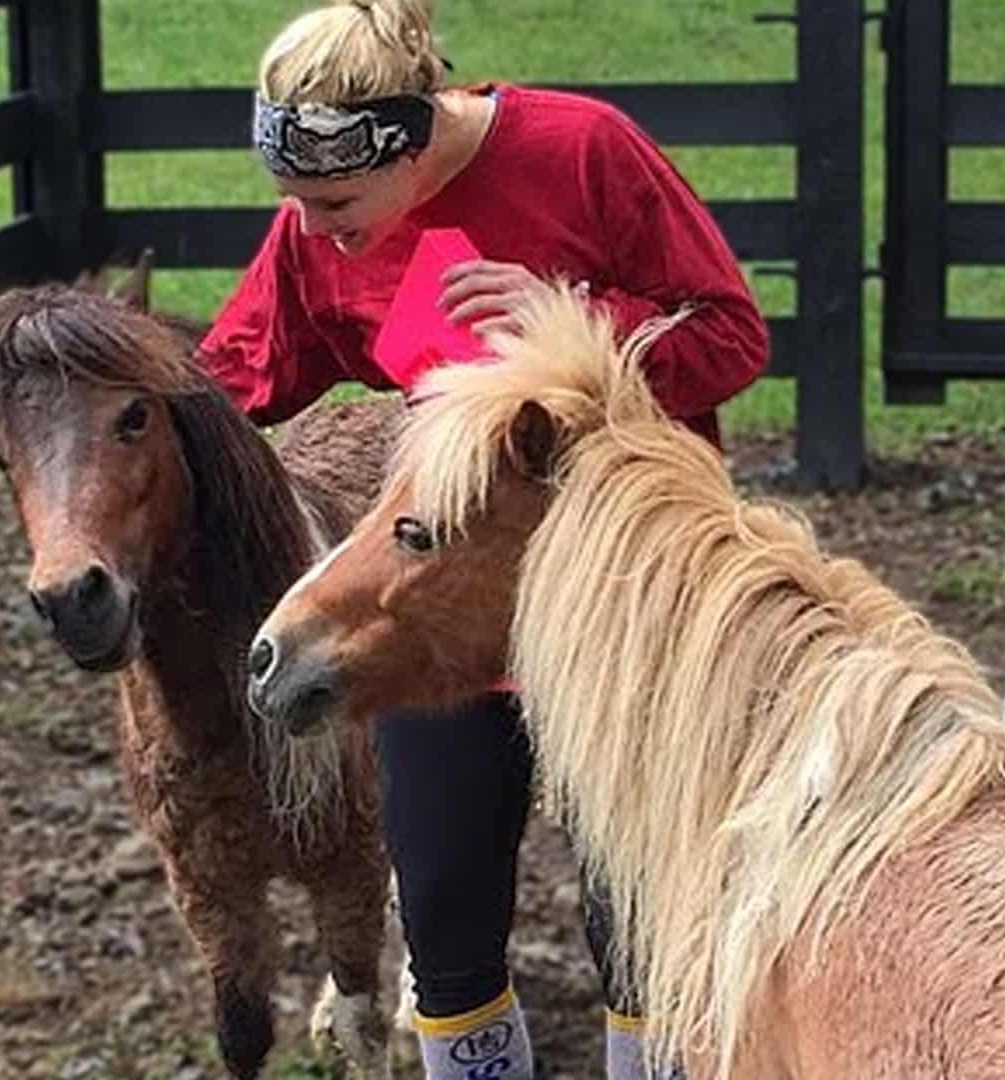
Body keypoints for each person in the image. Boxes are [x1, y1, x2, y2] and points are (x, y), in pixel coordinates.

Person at [194, 1, 769, 1077]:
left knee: (644, 935)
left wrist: (583, 323)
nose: (314, 232)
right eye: (293, 203)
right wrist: (108, 410)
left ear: (410, 143)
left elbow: (732, 332)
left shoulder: (581, 151)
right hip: (441, 623)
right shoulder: (321, 230)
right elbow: (240, 375)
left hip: (621, 609)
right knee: (448, 931)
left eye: (337, 203)